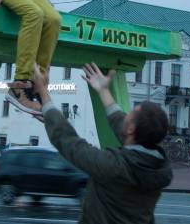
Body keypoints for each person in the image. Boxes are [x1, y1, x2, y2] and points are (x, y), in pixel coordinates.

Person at [33, 62, 172, 223]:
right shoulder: (159, 167)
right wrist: (103, 91)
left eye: (131, 113)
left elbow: (71, 144)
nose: (125, 115)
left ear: (132, 129)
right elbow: (123, 127)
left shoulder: (114, 166)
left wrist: (43, 93)